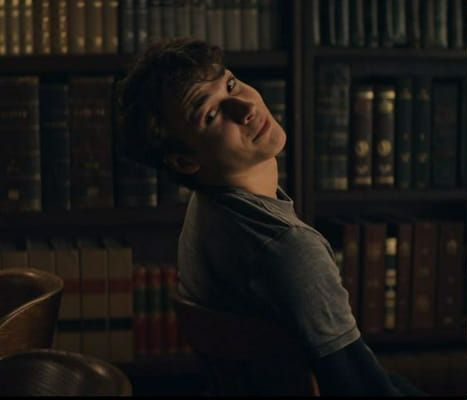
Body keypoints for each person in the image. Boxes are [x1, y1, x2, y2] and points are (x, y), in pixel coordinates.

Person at [117, 38, 426, 396]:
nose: (245, 106)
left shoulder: (203, 211)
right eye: (211, 114)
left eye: (230, 84)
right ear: (186, 162)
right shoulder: (287, 248)